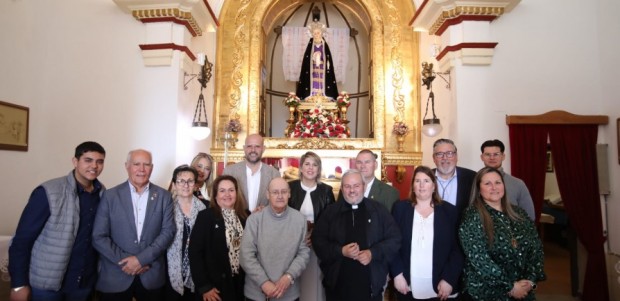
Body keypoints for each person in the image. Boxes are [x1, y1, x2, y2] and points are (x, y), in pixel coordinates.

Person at [9, 141, 106, 301]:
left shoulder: (103, 194)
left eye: (99, 161)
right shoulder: (49, 192)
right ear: (75, 161)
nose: (94, 166)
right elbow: (22, 241)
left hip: (84, 284)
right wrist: (18, 284)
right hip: (46, 287)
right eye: (88, 160)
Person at [92, 149, 175, 301]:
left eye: (146, 164)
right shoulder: (110, 196)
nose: (141, 169)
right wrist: (128, 262)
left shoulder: (164, 196)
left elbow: (168, 232)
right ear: (127, 166)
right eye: (136, 164)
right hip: (115, 276)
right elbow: (99, 236)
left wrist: (140, 260)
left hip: (151, 276)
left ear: (152, 167)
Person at [313, 169, 401, 301]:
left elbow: (395, 239)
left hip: (370, 287)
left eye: (356, 186)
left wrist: (372, 253)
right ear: (342, 189)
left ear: (364, 187)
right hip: (337, 287)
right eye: (347, 186)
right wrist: (341, 251)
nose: (352, 190)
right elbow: (318, 241)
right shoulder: (330, 212)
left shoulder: (378, 211)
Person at [459, 167, 545, 301]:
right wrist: (510, 287)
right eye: (487, 183)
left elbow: (536, 248)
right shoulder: (472, 216)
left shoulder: (519, 213)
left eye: (498, 182)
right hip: (487, 293)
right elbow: (479, 258)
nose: (494, 187)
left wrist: (530, 281)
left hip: (524, 291)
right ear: (479, 189)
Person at [390, 166, 463, 301]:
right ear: (413, 186)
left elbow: (457, 249)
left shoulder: (449, 211)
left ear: (434, 186)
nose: (422, 185)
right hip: (407, 285)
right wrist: (397, 274)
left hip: (441, 287)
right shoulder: (400, 209)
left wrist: (449, 279)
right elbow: (392, 245)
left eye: (426, 181)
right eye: (417, 181)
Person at [240, 177, 310, 301]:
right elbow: (246, 255)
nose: (280, 196)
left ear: (289, 194)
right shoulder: (254, 220)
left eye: (283, 192)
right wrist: (264, 283)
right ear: (268, 194)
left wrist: (289, 276)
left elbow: (303, 253)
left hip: (289, 294)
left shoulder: (300, 220)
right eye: (275, 192)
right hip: (257, 294)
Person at [189, 175, 248, 301]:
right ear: (215, 195)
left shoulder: (245, 216)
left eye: (231, 190)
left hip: (240, 283)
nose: (227, 194)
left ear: (237, 193)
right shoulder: (205, 217)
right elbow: (195, 254)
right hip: (215, 287)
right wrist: (204, 286)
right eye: (222, 190)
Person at [288, 151, 336, 301]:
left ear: (319, 169)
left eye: (314, 164)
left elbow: (331, 220)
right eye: (307, 164)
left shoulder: (326, 191)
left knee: (312, 284)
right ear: (301, 168)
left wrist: (314, 236)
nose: (310, 168)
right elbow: (283, 214)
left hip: (316, 243)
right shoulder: (290, 187)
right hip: (291, 242)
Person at [165, 165, 207, 301]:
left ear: (195, 185)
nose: (185, 185)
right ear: (174, 184)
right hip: (170, 270)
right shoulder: (166, 208)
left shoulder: (204, 209)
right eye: (181, 181)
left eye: (190, 181)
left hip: (197, 270)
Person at [480, 139, 536, 220]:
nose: (492, 158)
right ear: (482, 157)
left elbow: (529, 216)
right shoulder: (474, 181)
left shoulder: (517, 184)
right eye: (488, 154)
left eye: (496, 154)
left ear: (503, 156)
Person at [223, 133, 280, 212]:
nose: (253, 150)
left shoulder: (274, 174)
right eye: (249, 146)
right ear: (244, 148)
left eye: (257, 146)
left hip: (263, 222)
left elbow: (278, 202)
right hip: (236, 221)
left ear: (263, 149)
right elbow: (222, 200)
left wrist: (266, 210)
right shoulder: (230, 171)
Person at [431, 138, 476, 217]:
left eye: (449, 153)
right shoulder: (426, 176)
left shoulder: (472, 177)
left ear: (456, 156)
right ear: (434, 158)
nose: (445, 158)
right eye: (439, 154)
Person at [296, 20, 338, 100]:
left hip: (322, 68)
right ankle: (313, 94)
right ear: (312, 34)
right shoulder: (310, 46)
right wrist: (314, 57)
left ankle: (323, 94)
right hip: (313, 68)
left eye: (318, 33)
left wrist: (321, 57)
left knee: (322, 80)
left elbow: (327, 58)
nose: (316, 35)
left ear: (321, 34)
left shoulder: (324, 45)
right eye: (315, 33)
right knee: (313, 80)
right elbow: (307, 59)